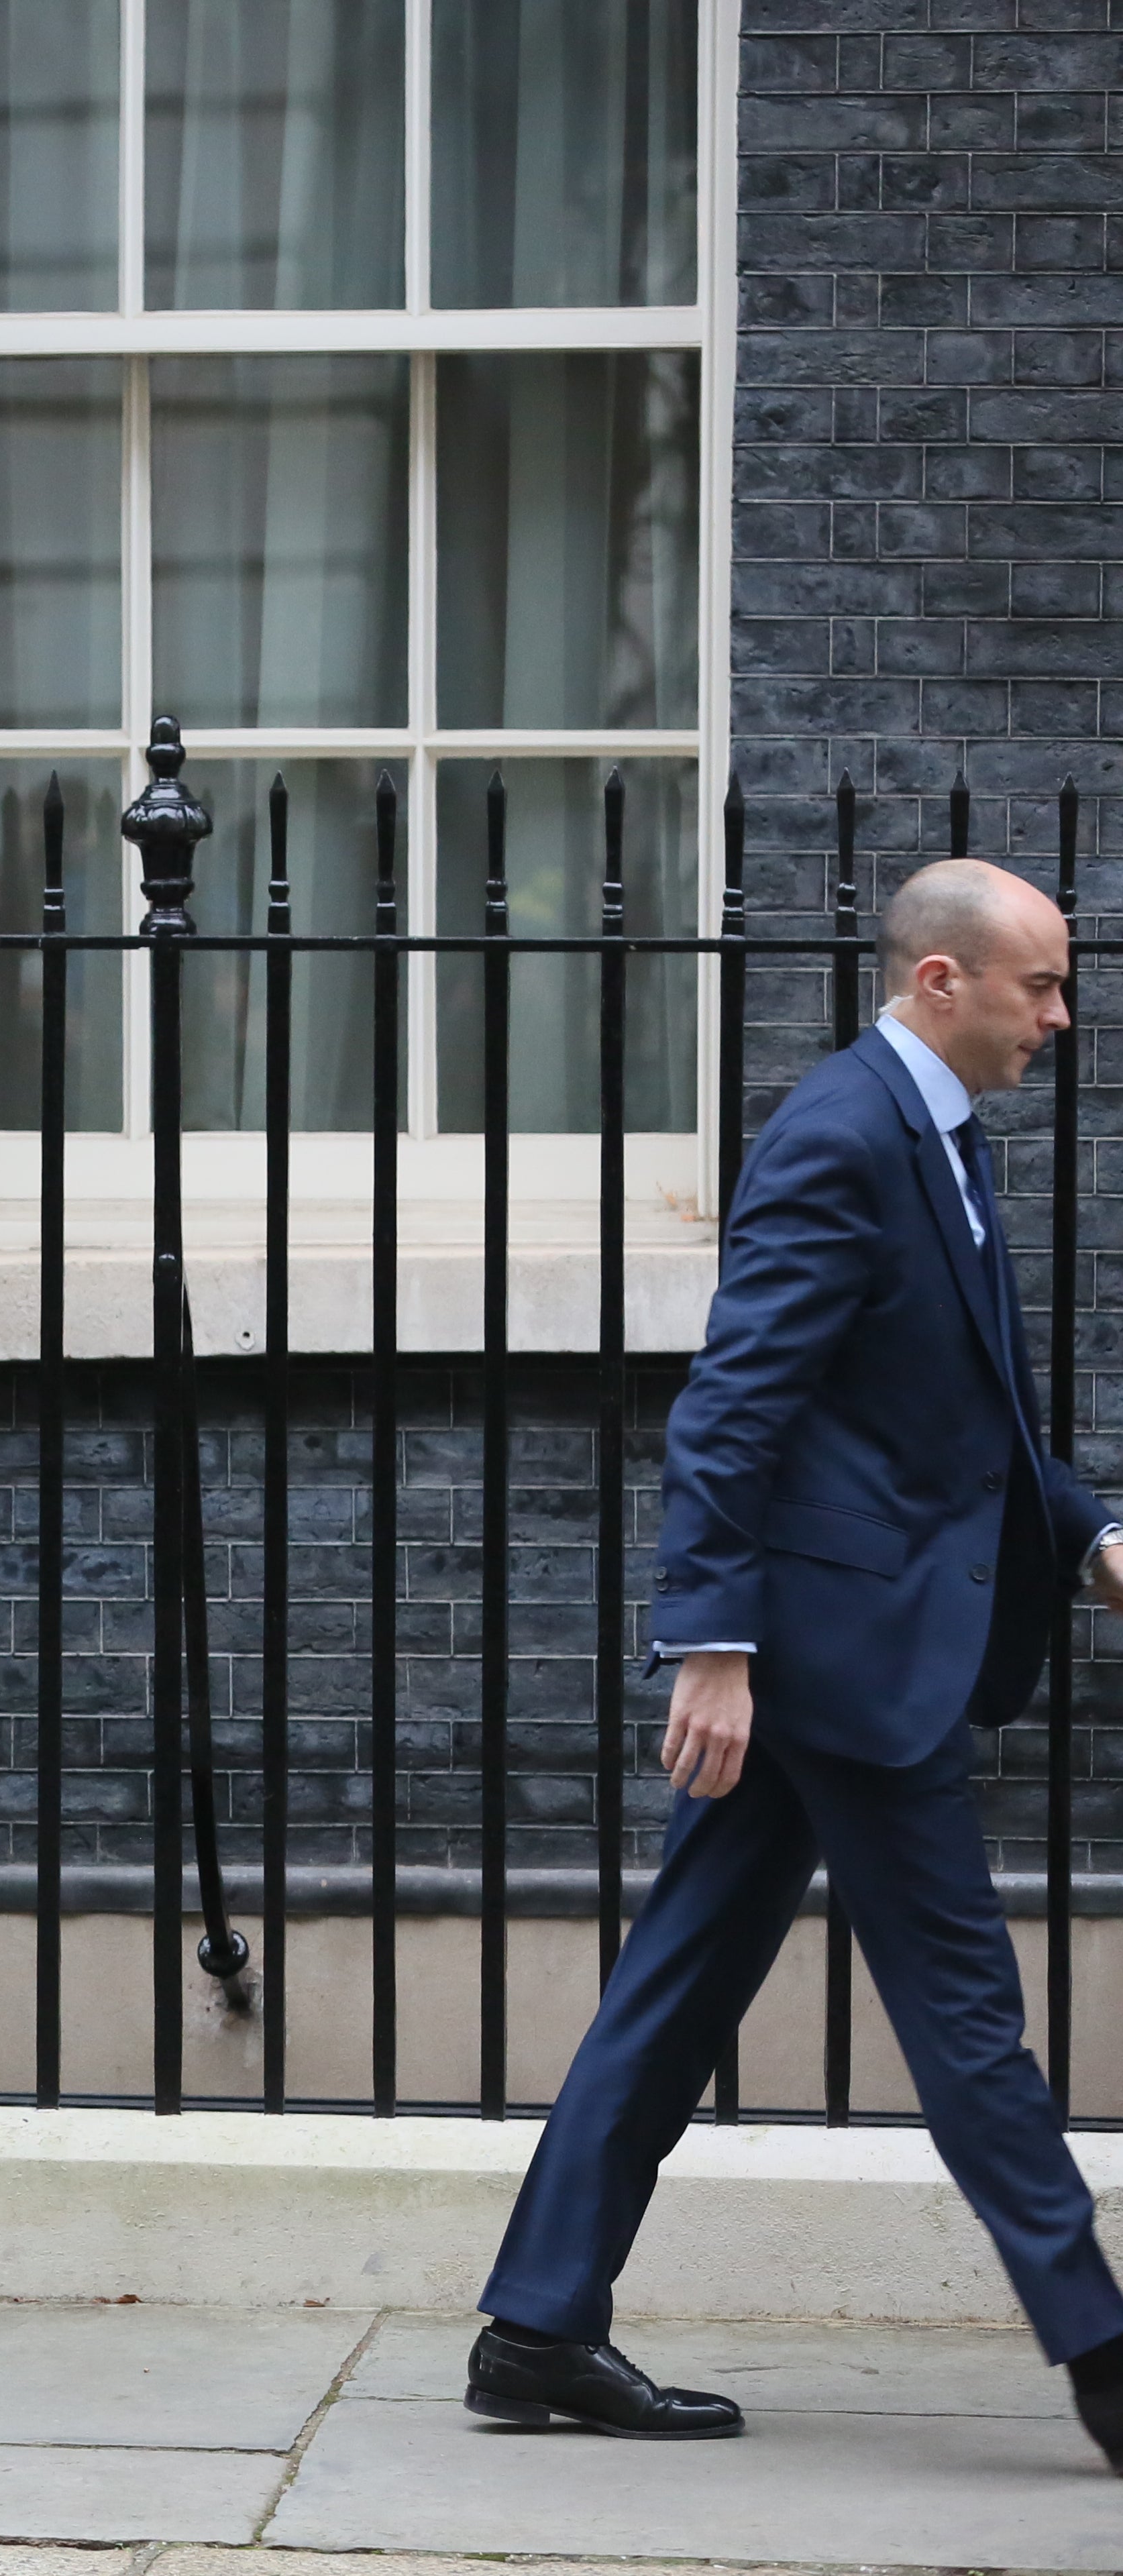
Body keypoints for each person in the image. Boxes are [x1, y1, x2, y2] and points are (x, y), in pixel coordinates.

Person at [468, 858, 1123, 2467]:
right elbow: (733, 1407)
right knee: (969, 2016)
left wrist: (1091, 1530)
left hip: (837, 1645)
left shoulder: (936, 1141)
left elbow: (951, 1425)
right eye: (1038, 984)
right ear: (940, 984)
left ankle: (539, 2328)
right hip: (840, 1663)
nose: (1062, 1014)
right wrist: (712, 1644)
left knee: (676, 1983)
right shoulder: (843, 1137)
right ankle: (1108, 2359)